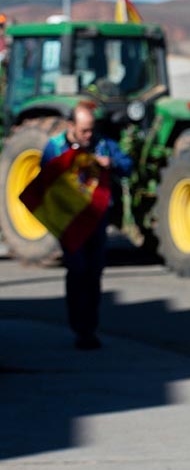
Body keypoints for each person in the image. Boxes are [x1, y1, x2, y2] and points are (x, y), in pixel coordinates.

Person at [41, 102, 133, 350]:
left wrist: (110, 163)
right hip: (70, 223)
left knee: (93, 274)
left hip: (96, 219)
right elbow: (44, 181)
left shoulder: (103, 144)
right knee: (77, 270)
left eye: (91, 130)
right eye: (84, 131)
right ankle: (80, 328)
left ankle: (89, 329)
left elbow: (128, 165)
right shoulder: (55, 147)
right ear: (71, 126)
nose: (88, 135)